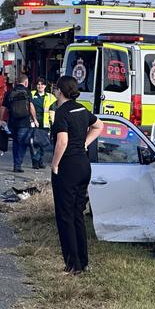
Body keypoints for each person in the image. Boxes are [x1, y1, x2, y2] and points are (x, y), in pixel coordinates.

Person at [50, 75, 103, 275]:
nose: (54, 92)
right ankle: (83, 261)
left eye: (55, 89)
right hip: (83, 164)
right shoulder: (81, 109)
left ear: (60, 91)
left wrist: (54, 165)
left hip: (68, 167)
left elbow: (61, 141)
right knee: (77, 214)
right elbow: (99, 126)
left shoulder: (62, 112)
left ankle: (72, 265)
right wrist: (85, 143)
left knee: (65, 216)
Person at [0, 74, 39, 172]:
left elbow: (3, 107)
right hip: (24, 122)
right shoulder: (27, 92)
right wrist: (35, 119)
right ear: (26, 82)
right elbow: (31, 106)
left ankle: (16, 164)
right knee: (22, 144)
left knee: (16, 143)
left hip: (12, 122)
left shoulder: (9, 92)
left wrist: (1, 120)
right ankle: (18, 165)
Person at [29, 78, 55, 169]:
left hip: (45, 123)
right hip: (33, 122)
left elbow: (52, 111)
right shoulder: (31, 94)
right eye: (38, 84)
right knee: (34, 143)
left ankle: (39, 160)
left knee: (43, 143)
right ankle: (35, 162)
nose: (40, 86)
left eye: (42, 84)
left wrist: (53, 123)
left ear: (45, 86)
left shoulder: (51, 97)